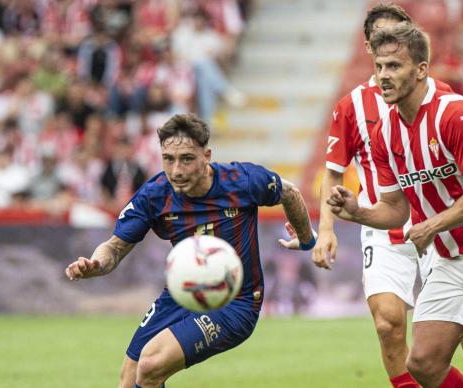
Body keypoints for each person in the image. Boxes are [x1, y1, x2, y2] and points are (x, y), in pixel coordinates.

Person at [328, 23, 463, 387]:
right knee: (424, 363)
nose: (384, 76)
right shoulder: (384, 132)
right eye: (380, 66)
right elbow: (396, 209)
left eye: (394, 67)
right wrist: (358, 213)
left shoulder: (454, 114)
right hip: (450, 258)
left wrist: (432, 225)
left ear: (421, 70)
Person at [288, 4, 463, 388]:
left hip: (435, 225)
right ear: (369, 46)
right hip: (384, 228)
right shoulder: (351, 107)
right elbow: (332, 173)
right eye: (383, 38)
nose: (391, 46)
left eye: (400, 36)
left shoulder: (442, 99)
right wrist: (325, 230)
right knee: (387, 323)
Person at [64, 113, 316, 388]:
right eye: (168, 159)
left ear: (206, 155)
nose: (176, 171)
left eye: (186, 158)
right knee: (130, 377)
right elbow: (114, 247)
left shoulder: (241, 180)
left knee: (151, 364)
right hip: (181, 293)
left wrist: (306, 240)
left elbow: (289, 192)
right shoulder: (155, 193)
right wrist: (96, 264)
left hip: (235, 301)